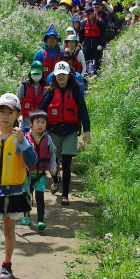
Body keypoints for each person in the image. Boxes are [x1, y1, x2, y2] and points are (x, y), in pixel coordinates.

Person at [0, 93, 38, 279]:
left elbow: (32, 162)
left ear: (17, 114)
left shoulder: (22, 137)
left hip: (14, 192)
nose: (5, 116)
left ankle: (7, 264)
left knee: (9, 230)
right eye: (1, 111)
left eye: (9, 112)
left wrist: (22, 141)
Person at [38, 62, 91, 206]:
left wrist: (87, 131)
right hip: (54, 130)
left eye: (64, 75)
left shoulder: (75, 91)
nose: (61, 77)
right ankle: (56, 180)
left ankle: (65, 195)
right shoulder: (50, 91)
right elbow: (40, 111)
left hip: (70, 131)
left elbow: (83, 112)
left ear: (68, 75)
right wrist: (37, 128)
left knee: (66, 163)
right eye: (58, 75)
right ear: (55, 76)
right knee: (54, 163)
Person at [24, 109, 58, 231]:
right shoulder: (25, 138)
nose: (40, 125)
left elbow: (53, 153)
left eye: (43, 122)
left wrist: (53, 167)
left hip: (41, 174)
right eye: (37, 122)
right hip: (26, 174)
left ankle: (40, 221)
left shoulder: (47, 139)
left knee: (40, 197)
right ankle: (26, 216)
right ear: (31, 124)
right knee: (26, 196)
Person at [18, 60, 47, 128]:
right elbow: (17, 101)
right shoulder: (24, 86)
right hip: (25, 121)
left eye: (38, 74)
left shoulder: (46, 88)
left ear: (42, 73)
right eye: (34, 74)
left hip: (40, 121)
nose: (36, 75)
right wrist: (19, 115)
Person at [79, 6, 106, 74]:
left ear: (92, 13)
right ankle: (86, 73)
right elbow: (81, 34)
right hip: (87, 43)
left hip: (96, 43)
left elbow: (103, 34)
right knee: (85, 59)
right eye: (86, 15)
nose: (87, 16)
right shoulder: (84, 22)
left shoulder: (100, 22)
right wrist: (79, 43)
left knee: (96, 59)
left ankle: (95, 73)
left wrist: (101, 44)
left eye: (88, 14)